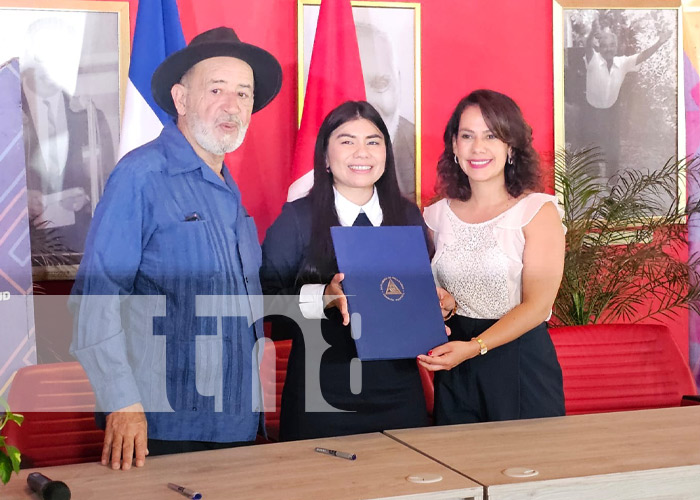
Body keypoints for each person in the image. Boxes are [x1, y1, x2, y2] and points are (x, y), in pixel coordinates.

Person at [69, 27, 282, 470]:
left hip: (236, 421)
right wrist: (121, 401)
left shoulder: (227, 187)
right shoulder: (141, 176)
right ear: (181, 100)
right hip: (161, 427)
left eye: (244, 94)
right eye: (217, 89)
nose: (233, 105)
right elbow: (95, 298)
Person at [260, 101, 431, 441]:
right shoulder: (296, 221)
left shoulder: (410, 217)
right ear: (325, 156)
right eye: (347, 140)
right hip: (321, 393)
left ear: (386, 153)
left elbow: (420, 299)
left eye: (373, 141)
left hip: (399, 390)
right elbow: (265, 303)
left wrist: (439, 304)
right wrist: (322, 296)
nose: (361, 152)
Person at [417, 89, 566, 424]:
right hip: (454, 365)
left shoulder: (537, 211)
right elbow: (435, 297)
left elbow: (538, 306)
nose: (477, 148)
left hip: (519, 363)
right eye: (467, 136)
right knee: (457, 470)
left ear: (510, 146)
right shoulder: (433, 216)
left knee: (528, 471)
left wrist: (475, 347)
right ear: (454, 146)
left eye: (491, 136)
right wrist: (443, 305)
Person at [21, 17, 115, 260]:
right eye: (40, 58)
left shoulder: (90, 116)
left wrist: (86, 199)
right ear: (27, 57)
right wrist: (17, 202)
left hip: (80, 253)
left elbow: (109, 185)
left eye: (56, 57)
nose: (46, 69)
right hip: (18, 254)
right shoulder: (5, 113)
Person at [581, 18, 671, 177]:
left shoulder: (622, 62)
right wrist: (590, 35)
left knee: (613, 148)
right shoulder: (593, 60)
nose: (608, 49)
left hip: (611, 111)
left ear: (616, 47)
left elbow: (642, 56)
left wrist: (660, 42)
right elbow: (588, 47)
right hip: (591, 112)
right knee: (592, 148)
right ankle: (590, 182)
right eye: (605, 45)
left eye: (612, 45)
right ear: (600, 47)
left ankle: (612, 182)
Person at [355, 22, 416, 200]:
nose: (367, 104)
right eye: (353, 86)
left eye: (380, 84)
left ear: (399, 82)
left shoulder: (423, 150)